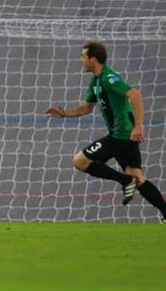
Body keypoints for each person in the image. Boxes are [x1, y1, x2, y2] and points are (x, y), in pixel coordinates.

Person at [45, 41, 166, 222]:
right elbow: (86, 108)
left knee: (80, 161)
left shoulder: (109, 77)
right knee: (138, 178)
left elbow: (135, 95)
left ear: (93, 59)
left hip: (122, 135)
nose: (80, 60)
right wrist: (64, 114)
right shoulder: (96, 81)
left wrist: (139, 125)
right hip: (125, 136)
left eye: (83, 57)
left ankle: (125, 180)